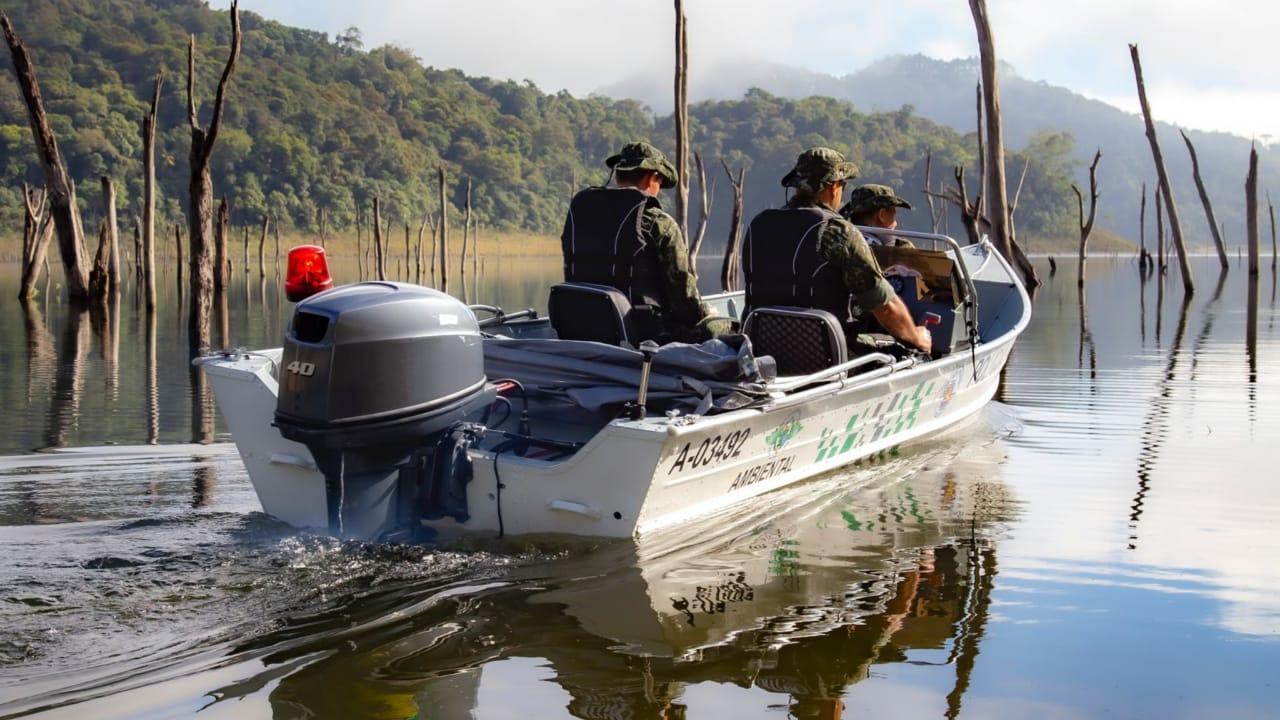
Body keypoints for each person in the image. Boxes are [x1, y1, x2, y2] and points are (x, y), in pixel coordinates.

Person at [742, 148, 930, 354]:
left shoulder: (759, 224)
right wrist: (917, 337)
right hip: (823, 356)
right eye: (843, 184)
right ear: (834, 187)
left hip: (760, 350)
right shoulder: (837, 231)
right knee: (907, 349)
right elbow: (885, 306)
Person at [560, 141, 727, 343]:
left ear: (619, 175)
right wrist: (707, 314)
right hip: (644, 337)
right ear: (652, 178)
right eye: (660, 183)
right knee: (723, 326)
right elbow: (685, 305)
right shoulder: (659, 223)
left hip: (581, 329)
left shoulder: (584, 218)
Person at [839, 184, 916, 247]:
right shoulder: (887, 253)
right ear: (882, 215)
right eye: (893, 216)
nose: (896, 223)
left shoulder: (839, 243)